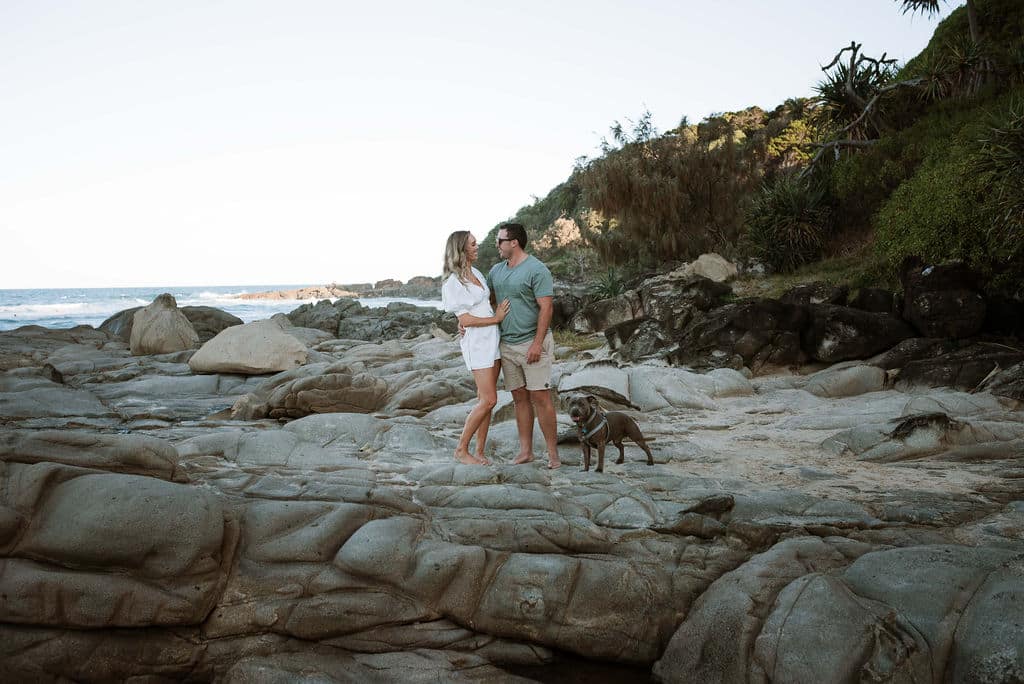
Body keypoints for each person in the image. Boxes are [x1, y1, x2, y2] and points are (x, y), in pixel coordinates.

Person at [486, 222, 561, 469]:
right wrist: (465, 323)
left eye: (500, 240)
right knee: (519, 398)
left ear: (514, 242)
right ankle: (526, 451)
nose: (497, 245)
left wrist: (537, 344)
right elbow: (487, 302)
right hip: (507, 345)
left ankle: (552, 454)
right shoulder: (496, 271)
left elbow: (546, 307)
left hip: (532, 342)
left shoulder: (537, 269)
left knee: (540, 397)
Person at [441, 230, 511, 465]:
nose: (477, 246)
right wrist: (497, 318)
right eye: (472, 244)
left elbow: (482, 306)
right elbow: (466, 320)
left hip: (492, 340)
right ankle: (461, 449)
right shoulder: (453, 283)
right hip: (477, 343)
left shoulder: (477, 273)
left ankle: (479, 451)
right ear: (461, 249)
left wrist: (495, 320)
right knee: (489, 400)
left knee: (486, 399)